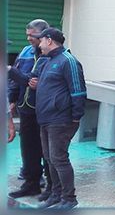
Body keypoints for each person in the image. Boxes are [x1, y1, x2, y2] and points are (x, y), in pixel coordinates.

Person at [33, 28, 87, 209]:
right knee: (49, 158)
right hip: (46, 119)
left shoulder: (68, 61)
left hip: (61, 120)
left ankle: (69, 199)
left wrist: (76, 117)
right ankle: (56, 194)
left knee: (59, 159)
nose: (39, 45)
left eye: (41, 41)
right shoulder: (48, 61)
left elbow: (78, 90)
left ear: (49, 40)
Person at [6, 19, 52, 200]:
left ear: (43, 35)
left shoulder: (52, 54)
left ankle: (52, 187)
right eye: (27, 34)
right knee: (28, 148)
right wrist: (11, 98)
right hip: (26, 110)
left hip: (46, 111)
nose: (28, 39)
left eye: (31, 35)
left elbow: (45, 81)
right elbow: (16, 79)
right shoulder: (25, 52)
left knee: (48, 151)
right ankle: (31, 183)